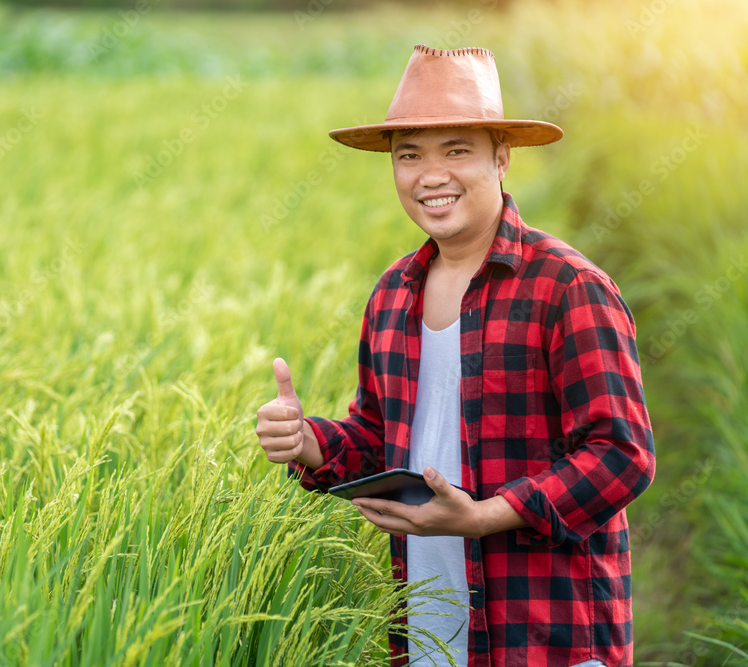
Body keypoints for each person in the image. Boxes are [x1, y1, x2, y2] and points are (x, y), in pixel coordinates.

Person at [255, 45, 654, 667]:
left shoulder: (568, 288)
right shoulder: (393, 293)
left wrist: (484, 517)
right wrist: (306, 441)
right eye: (409, 155)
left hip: (548, 636)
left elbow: (622, 455)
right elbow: (380, 437)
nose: (429, 175)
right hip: (429, 633)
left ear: (502, 158)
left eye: (456, 150)